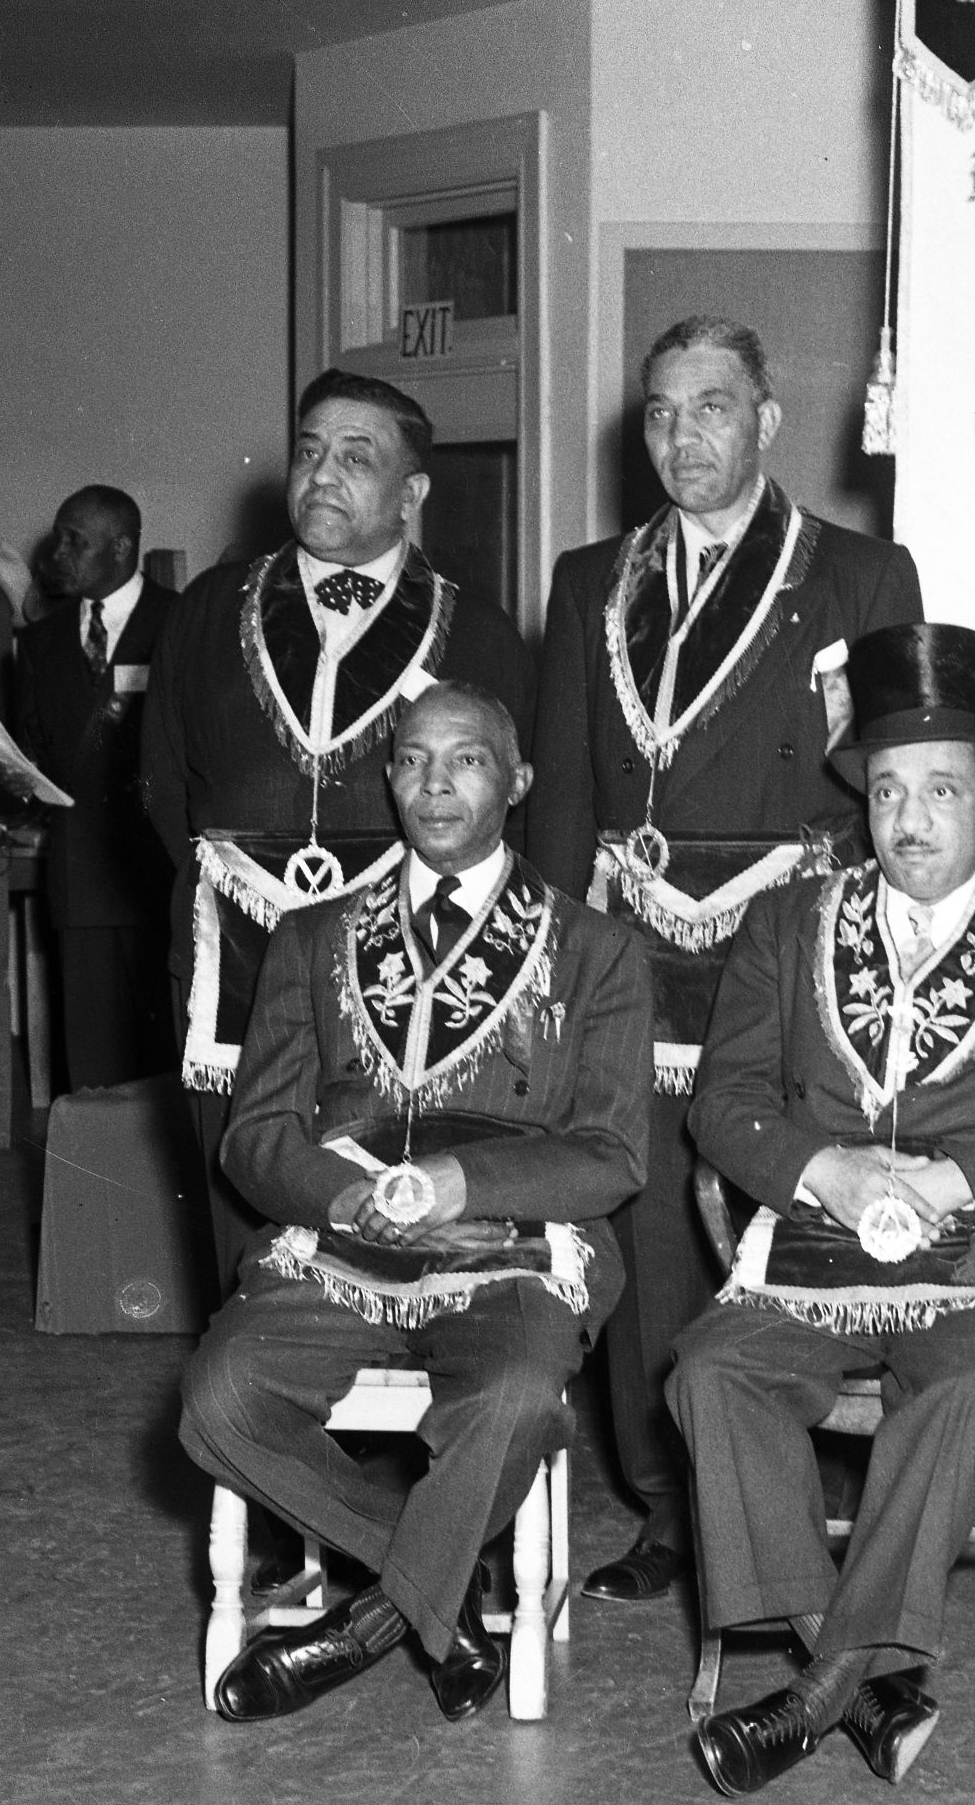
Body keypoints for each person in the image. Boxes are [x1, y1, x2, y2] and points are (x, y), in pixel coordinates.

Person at [669, 623, 975, 1795]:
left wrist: (955, 1180)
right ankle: (859, 1676)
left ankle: (817, 1687)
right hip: (814, 1245)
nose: (910, 818)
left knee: (967, 1391)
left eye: (942, 788)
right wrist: (822, 1169)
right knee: (706, 1373)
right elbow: (723, 1104)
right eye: (887, 790)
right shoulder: (789, 924)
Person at [526, 314, 922, 1604]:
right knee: (640, 1209)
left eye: (710, 407)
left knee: (787, 1208)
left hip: (783, 936)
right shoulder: (594, 576)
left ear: (763, 420)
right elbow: (568, 789)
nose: (682, 435)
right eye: (659, 411)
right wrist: (551, 952)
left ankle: (808, 1487)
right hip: (630, 936)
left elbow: (883, 779)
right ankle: (668, 1503)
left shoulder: (860, 570)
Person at [179, 681, 651, 1723]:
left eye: (468, 759)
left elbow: (613, 1155)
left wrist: (464, 1181)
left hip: (519, 1237)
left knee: (518, 1394)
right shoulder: (314, 934)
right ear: (387, 775)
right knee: (221, 1398)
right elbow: (256, 1134)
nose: (434, 783)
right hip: (343, 1233)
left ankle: (368, 1623)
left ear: (518, 781)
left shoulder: (594, 946)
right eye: (411, 760)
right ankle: (435, 1589)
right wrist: (348, 1197)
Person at [142, 371, 533, 1297]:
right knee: (240, 1184)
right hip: (230, 949)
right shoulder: (209, 606)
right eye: (311, 452)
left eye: (357, 457)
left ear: (412, 492)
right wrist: (246, 885)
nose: (324, 474)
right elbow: (163, 784)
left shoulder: (473, 626)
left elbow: (505, 814)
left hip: (405, 953)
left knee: (391, 1190)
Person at [8, 486, 176, 1086]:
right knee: (91, 1064)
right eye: (58, 538)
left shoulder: (182, 622)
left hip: (161, 878)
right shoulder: (39, 643)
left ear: (122, 547)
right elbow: (32, 750)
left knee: (167, 1060)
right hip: (78, 879)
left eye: (74, 541)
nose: (57, 554)